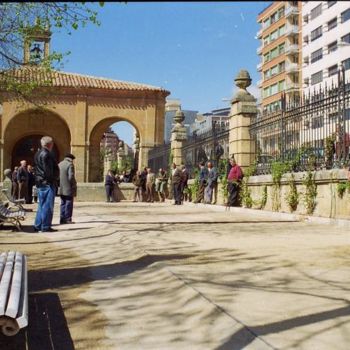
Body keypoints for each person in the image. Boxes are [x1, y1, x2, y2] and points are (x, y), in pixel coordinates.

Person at [33, 136, 59, 232]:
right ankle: (45, 226)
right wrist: (53, 179)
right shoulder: (47, 154)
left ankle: (38, 225)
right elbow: (48, 170)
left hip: (40, 182)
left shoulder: (37, 153)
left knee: (41, 205)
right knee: (47, 206)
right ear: (50, 144)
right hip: (47, 183)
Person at [58, 153, 77, 224]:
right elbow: (71, 176)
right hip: (68, 187)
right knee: (69, 203)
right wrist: (73, 185)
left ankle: (62, 219)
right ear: (71, 159)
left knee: (62, 203)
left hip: (61, 187)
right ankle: (68, 219)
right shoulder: (70, 165)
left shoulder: (60, 164)